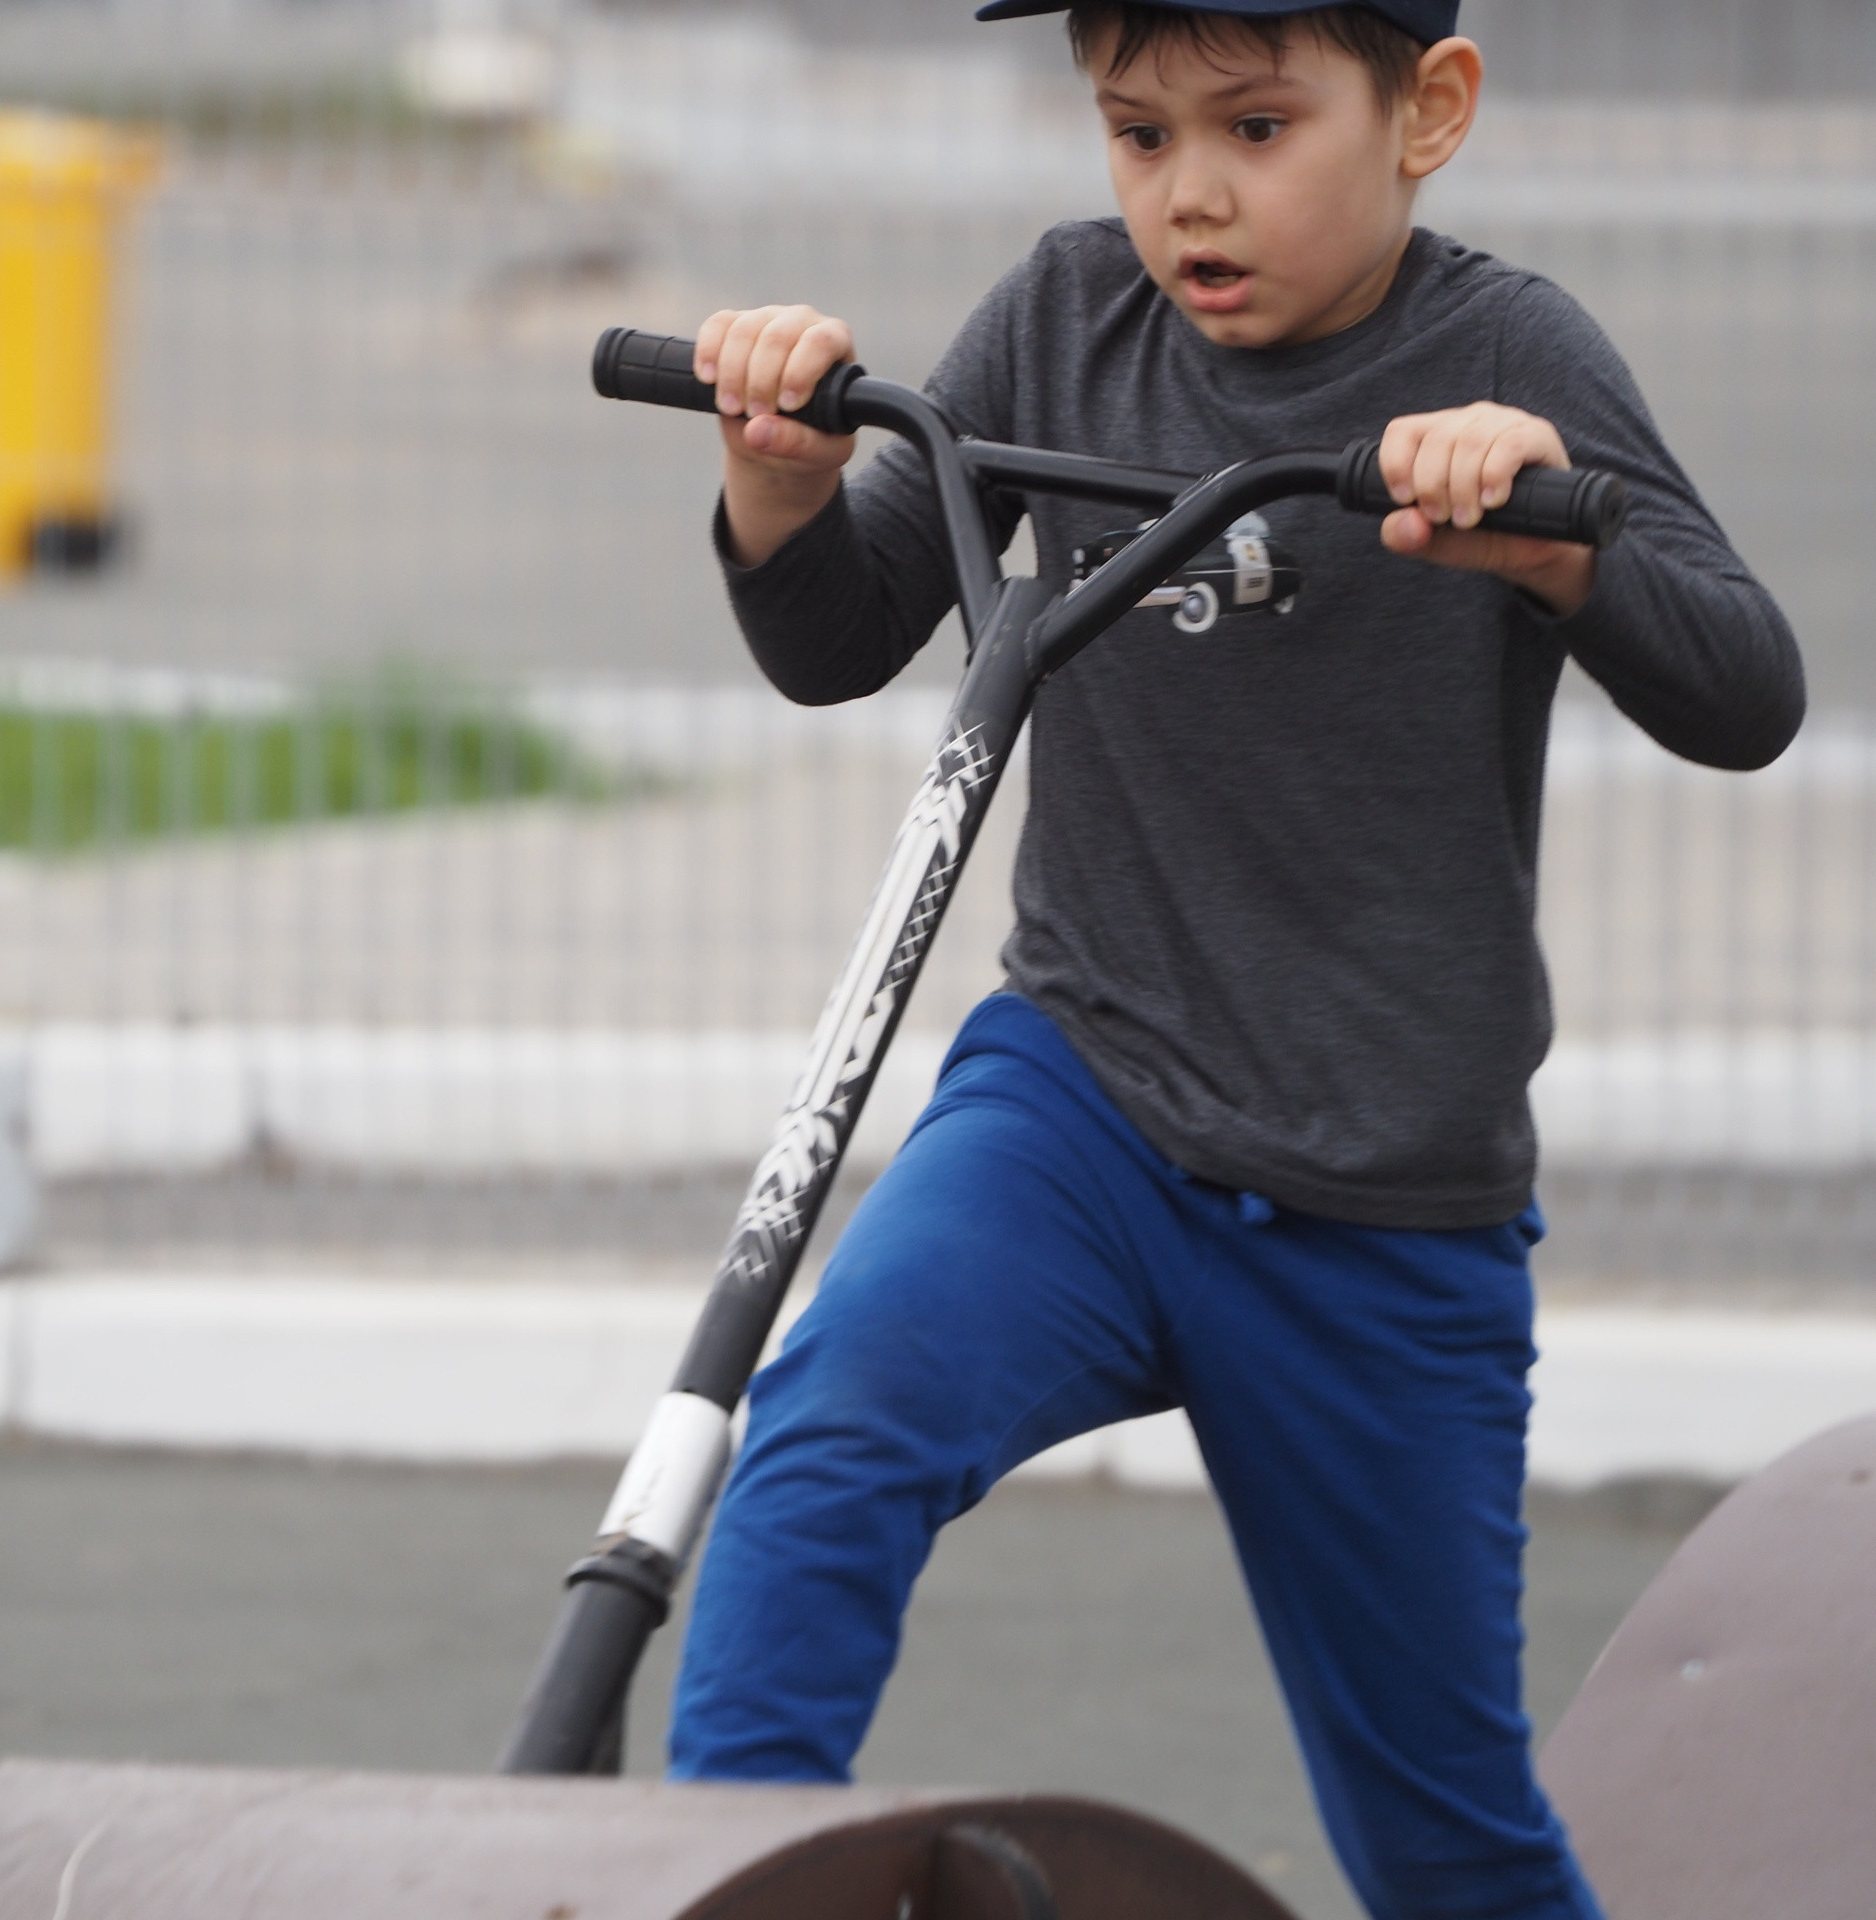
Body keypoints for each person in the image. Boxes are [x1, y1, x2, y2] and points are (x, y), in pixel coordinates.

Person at [666, 5, 1804, 1918]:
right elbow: (848, 626)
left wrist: (1558, 543)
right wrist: (780, 479)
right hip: (1083, 1107)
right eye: (1135, 130)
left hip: (1386, 1201)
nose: (1188, 192)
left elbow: (1748, 688)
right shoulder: (1064, 314)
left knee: (1442, 1836)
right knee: (836, 1421)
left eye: (1258, 125)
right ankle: (726, 1875)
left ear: (1428, 110)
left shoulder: (1508, 353)